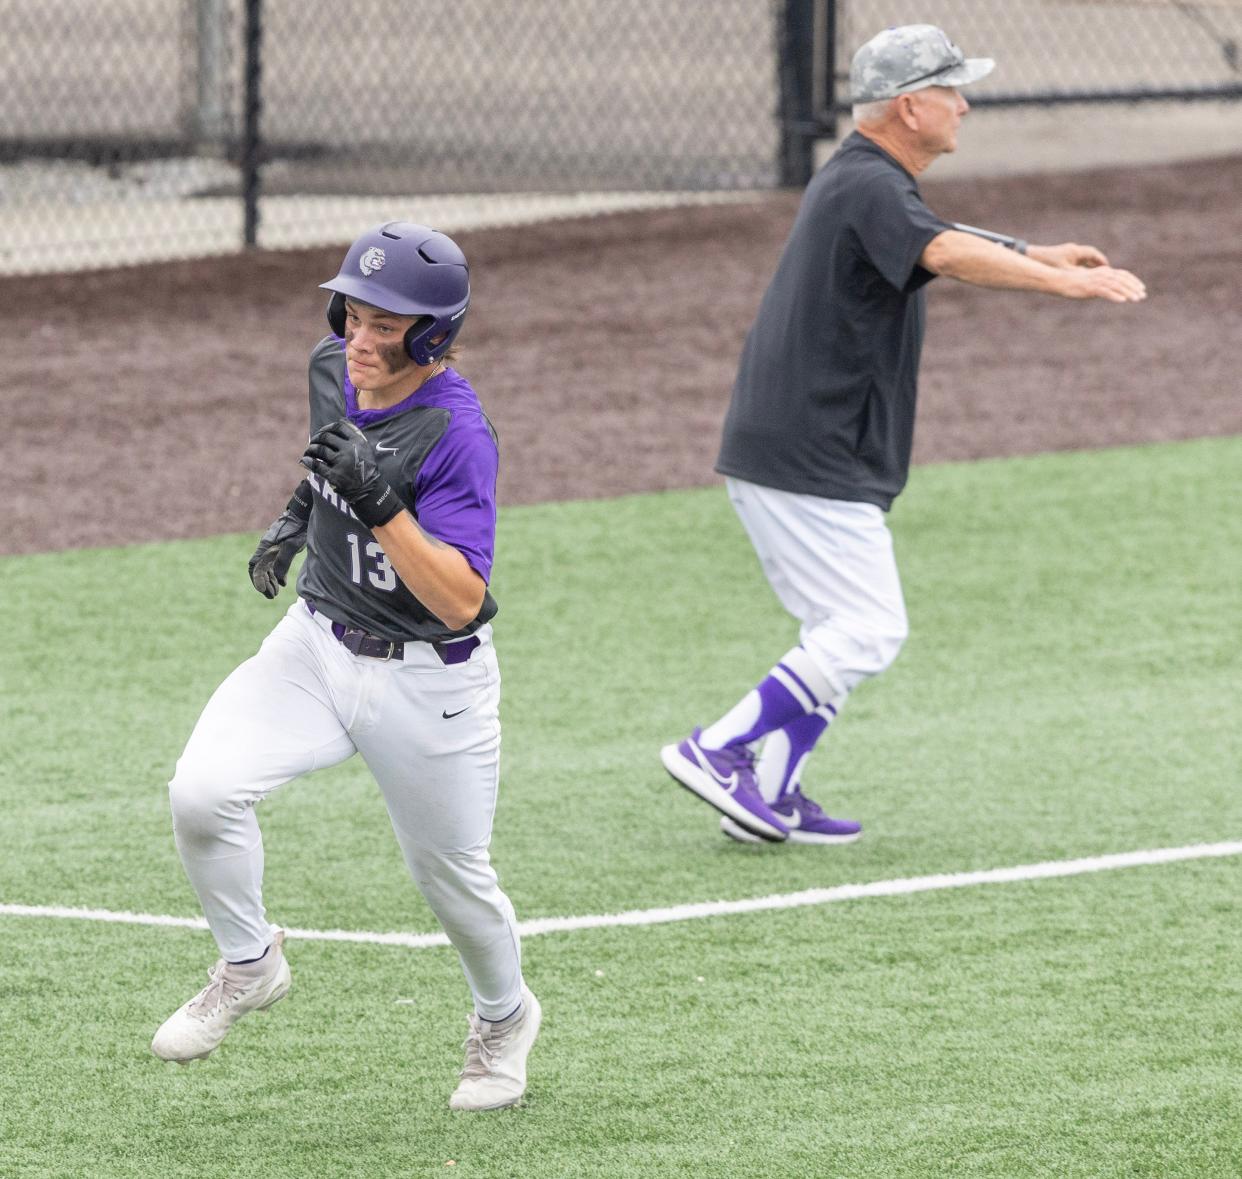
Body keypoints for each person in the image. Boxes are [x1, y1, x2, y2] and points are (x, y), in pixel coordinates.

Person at [660, 25, 1146, 846]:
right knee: (870, 628)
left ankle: (771, 784)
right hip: (807, 455)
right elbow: (945, 250)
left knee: (843, 629)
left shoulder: (868, 181)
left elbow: (932, 236)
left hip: (799, 450)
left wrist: (1034, 248)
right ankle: (722, 745)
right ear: (910, 106)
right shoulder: (869, 186)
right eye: (951, 89)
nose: (964, 103)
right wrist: (1058, 280)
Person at [151, 221, 541, 1112]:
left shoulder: (458, 434)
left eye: (385, 325)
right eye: (351, 313)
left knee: (451, 876)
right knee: (202, 791)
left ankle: (504, 1017)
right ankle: (249, 965)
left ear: (435, 334)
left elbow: (460, 600)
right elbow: (335, 459)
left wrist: (380, 506)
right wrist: (299, 519)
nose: (359, 340)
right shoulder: (333, 367)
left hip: (429, 677)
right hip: (318, 643)